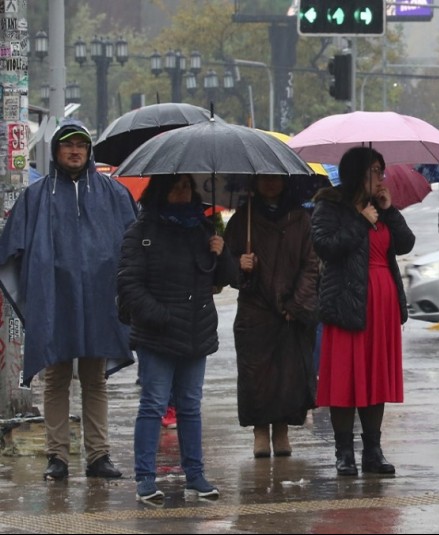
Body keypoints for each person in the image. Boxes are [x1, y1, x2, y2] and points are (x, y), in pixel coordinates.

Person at [0, 120, 137, 481]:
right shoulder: (36, 196)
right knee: (56, 377)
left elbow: (134, 246)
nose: (75, 151)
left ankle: (99, 456)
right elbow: (11, 248)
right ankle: (57, 456)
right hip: (53, 300)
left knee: (94, 379)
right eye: (67, 145)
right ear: (56, 151)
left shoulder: (112, 194)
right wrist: (35, 289)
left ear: (88, 152)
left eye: (81, 145)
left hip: (99, 300)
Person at [117, 174, 238, 503]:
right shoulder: (141, 232)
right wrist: (162, 317)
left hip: (197, 334)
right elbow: (129, 285)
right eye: (176, 186)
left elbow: (226, 278)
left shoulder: (204, 229)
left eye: (187, 186)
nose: (183, 192)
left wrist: (222, 252)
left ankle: (195, 475)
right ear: (162, 191)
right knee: (153, 405)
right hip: (158, 336)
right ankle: (145, 477)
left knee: (190, 407)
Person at [311, 147, 415, 476]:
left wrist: (389, 210)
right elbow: (324, 247)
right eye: (374, 171)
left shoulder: (381, 207)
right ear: (357, 172)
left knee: (375, 377)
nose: (381, 178)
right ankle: (344, 452)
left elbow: (406, 243)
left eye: (382, 171)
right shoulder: (330, 204)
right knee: (345, 378)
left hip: (381, 304)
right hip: (345, 301)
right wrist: (359, 220)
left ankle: (373, 450)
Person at [223, 175, 321, 458]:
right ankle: (259, 431)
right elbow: (225, 265)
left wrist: (296, 304)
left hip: (291, 312)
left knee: (289, 376)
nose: (270, 183)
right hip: (255, 311)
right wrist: (240, 264)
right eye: (264, 178)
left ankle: (282, 430)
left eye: (275, 178)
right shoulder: (244, 219)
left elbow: (311, 265)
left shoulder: (300, 218)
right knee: (255, 376)